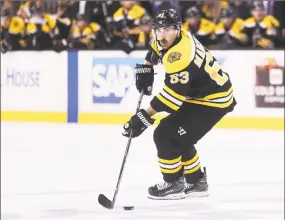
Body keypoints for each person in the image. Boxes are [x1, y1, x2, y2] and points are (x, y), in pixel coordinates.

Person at [122, 9, 236, 200]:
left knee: (165, 133)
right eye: (158, 29)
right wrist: (146, 69)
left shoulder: (181, 54)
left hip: (213, 101)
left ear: (178, 28)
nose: (162, 34)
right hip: (199, 96)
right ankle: (197, 181)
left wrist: (144, 117)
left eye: (167, 29)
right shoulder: (172, 39)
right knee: (179, 135)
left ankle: (173, 183)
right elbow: (154, 50)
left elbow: (172, 98)